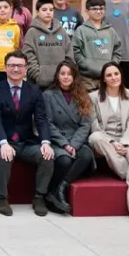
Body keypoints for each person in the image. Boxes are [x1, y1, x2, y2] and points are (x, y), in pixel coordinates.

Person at [0, 50, 55, 217]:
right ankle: (2, 198)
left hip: (26, 141)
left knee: (47, 156)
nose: (16, 69)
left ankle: (39, 197)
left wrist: (46, 142)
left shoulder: (34, 91)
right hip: (4, 140)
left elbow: (41, 119)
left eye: (20, 66)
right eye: (12, 65)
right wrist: (3, 143)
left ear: (26, 69)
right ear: (5, 68)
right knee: (4, 157)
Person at [89, 62, 129, 224]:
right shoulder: (93, 97)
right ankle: (128, 172)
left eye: (116, 74)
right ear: (103, 79)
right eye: (109, 75)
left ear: (121, 75)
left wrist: (124, 143)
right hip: (104, 140)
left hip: (125, 139)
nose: (113, 77)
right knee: (94, 137)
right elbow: (94, 125)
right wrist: (112, 142)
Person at [42, 61, 95, 214]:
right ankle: (52, 191)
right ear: (57, 76)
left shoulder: (83, 95)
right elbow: (47, 123)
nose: (66, 77)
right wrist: (65, 144)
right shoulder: (48, 95)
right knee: (64, 160)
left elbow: (85, 124)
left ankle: (60, 188)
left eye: (69, 74)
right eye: (62, 74)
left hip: (76, 140)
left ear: (74, 76)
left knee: (86, 155)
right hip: (57, 140)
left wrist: (74, 144)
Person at [74, 0, 123, 91]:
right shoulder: (81, 30)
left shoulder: (110, 31)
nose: (98, 11)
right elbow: (76, 51)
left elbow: (117, 50)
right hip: (87, 79)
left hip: (107, 78)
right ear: (87, 11)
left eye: (101, 8)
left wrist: (111, 67)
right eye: (94, 9)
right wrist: (87, 66)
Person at [22, 0, 73, 89]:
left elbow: (69, 54)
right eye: (44, 10)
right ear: (37, 12)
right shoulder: (32, 32)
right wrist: (38, 76)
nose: (48, 12)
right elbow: (28, 55)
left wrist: (66, 73)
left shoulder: (62, 31)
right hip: (37, 84)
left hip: (61, 83)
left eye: (51, 10)